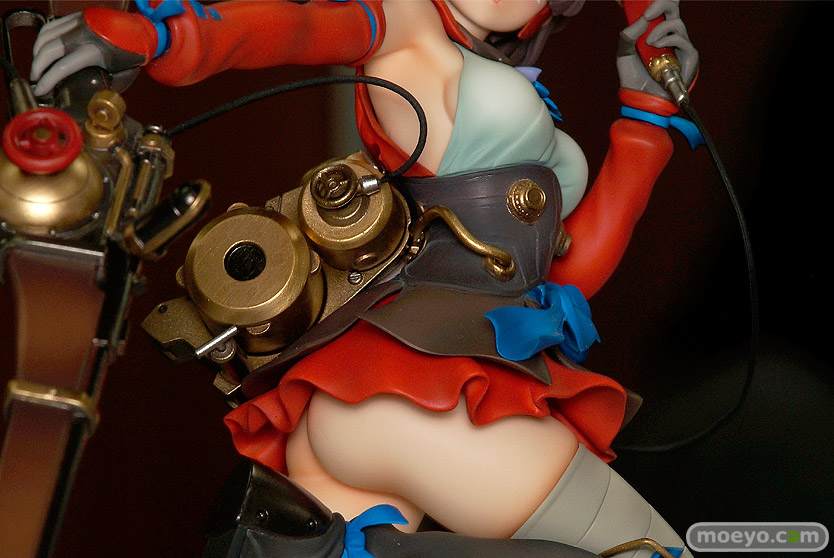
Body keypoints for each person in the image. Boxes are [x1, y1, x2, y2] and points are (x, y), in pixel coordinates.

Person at [32, 1, 698, 557]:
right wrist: (157, 35)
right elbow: (298, 25)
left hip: (370, 409)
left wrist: (647, 119)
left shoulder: (486, 66)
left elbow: (567, 274)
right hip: (419, 399)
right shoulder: (408, 22)